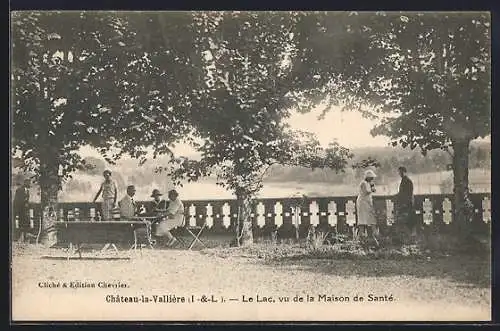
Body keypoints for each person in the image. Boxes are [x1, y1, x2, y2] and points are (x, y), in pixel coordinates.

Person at [355, 169, 379, 245]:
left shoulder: (368, 183)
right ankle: (361, 236)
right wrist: (372, 187)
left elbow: (372, 191)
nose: (372, 179)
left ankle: (372, 235)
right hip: (362, 203)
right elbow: (366, 192)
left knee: (370, 219)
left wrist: (372, 187)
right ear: (368, 177)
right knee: (362, 220)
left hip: (367, 203)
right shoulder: (363, 183)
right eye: (371, 178)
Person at [396, 166, 415, 243]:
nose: (400, 173)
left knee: (408, 220)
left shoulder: (407, 181)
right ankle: (406, 237)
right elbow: (401, 193)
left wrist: (405, 203)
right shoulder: (403, 180)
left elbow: (408, 193)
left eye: (401, 172)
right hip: (404, 203)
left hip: (407, 203)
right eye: (399, 172)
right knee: (404, 220)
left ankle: (409, 237)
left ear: (404, 172)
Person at [13, 178, 31, 243]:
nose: (30, 184)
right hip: (20, 210)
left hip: (25, 210)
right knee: (21, 223)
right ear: (25, 183)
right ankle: (19, 238)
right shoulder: (19, 190)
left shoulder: (27, 191)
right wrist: (24, 203)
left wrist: (27, 204)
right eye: (28, 183)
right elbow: (17, 200)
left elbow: (27, 200)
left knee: (26, 223)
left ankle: (25, 238)